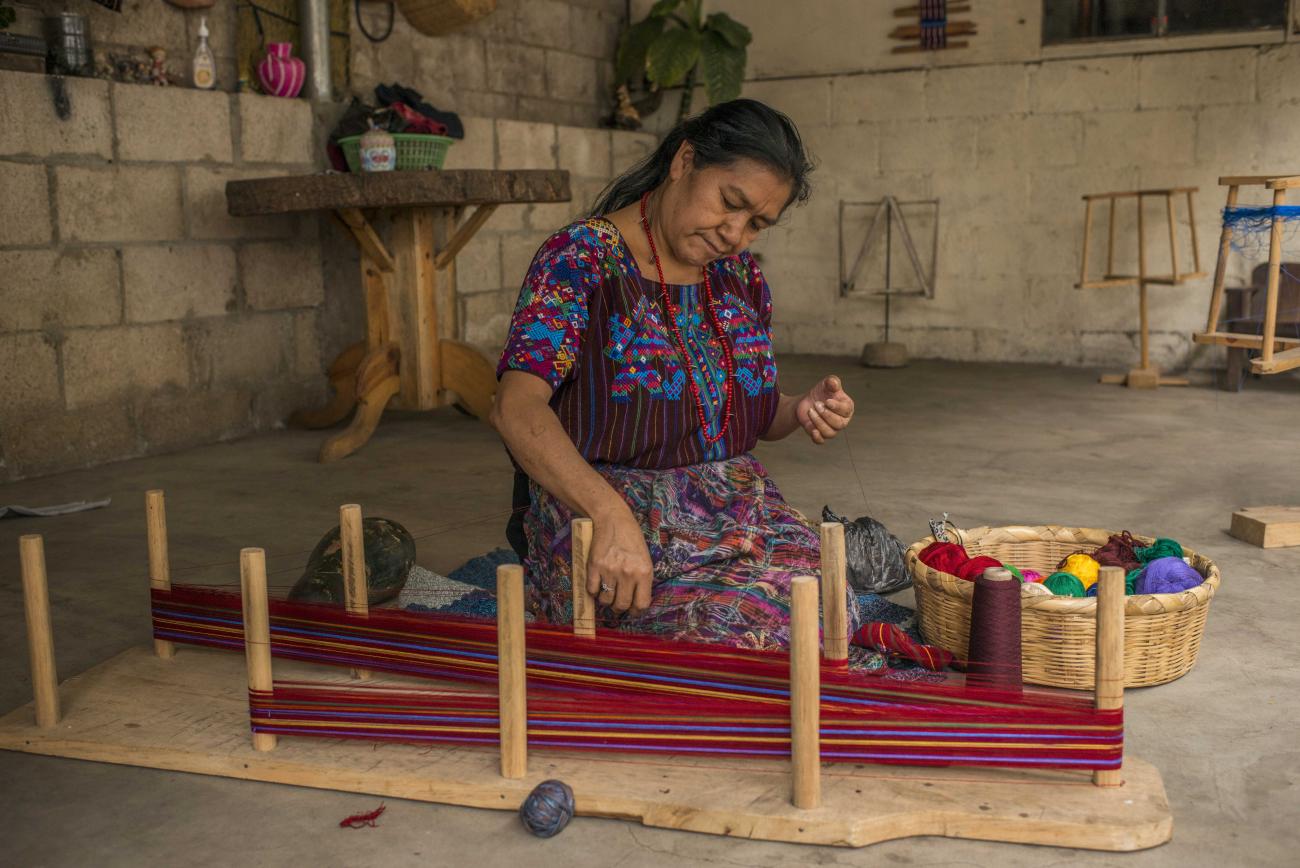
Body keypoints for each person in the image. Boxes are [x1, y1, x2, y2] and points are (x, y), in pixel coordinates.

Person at [490, 99, 858, 649]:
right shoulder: (581, 260)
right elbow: (514, 408)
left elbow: (738, 411)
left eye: (757, 224)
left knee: (826, 604)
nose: (735, 233)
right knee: (748, 629)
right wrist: (608, 514)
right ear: (685, 161)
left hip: (735, 513)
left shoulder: (741, 278)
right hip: (607, 517)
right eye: (730, 203)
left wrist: (797, 408)